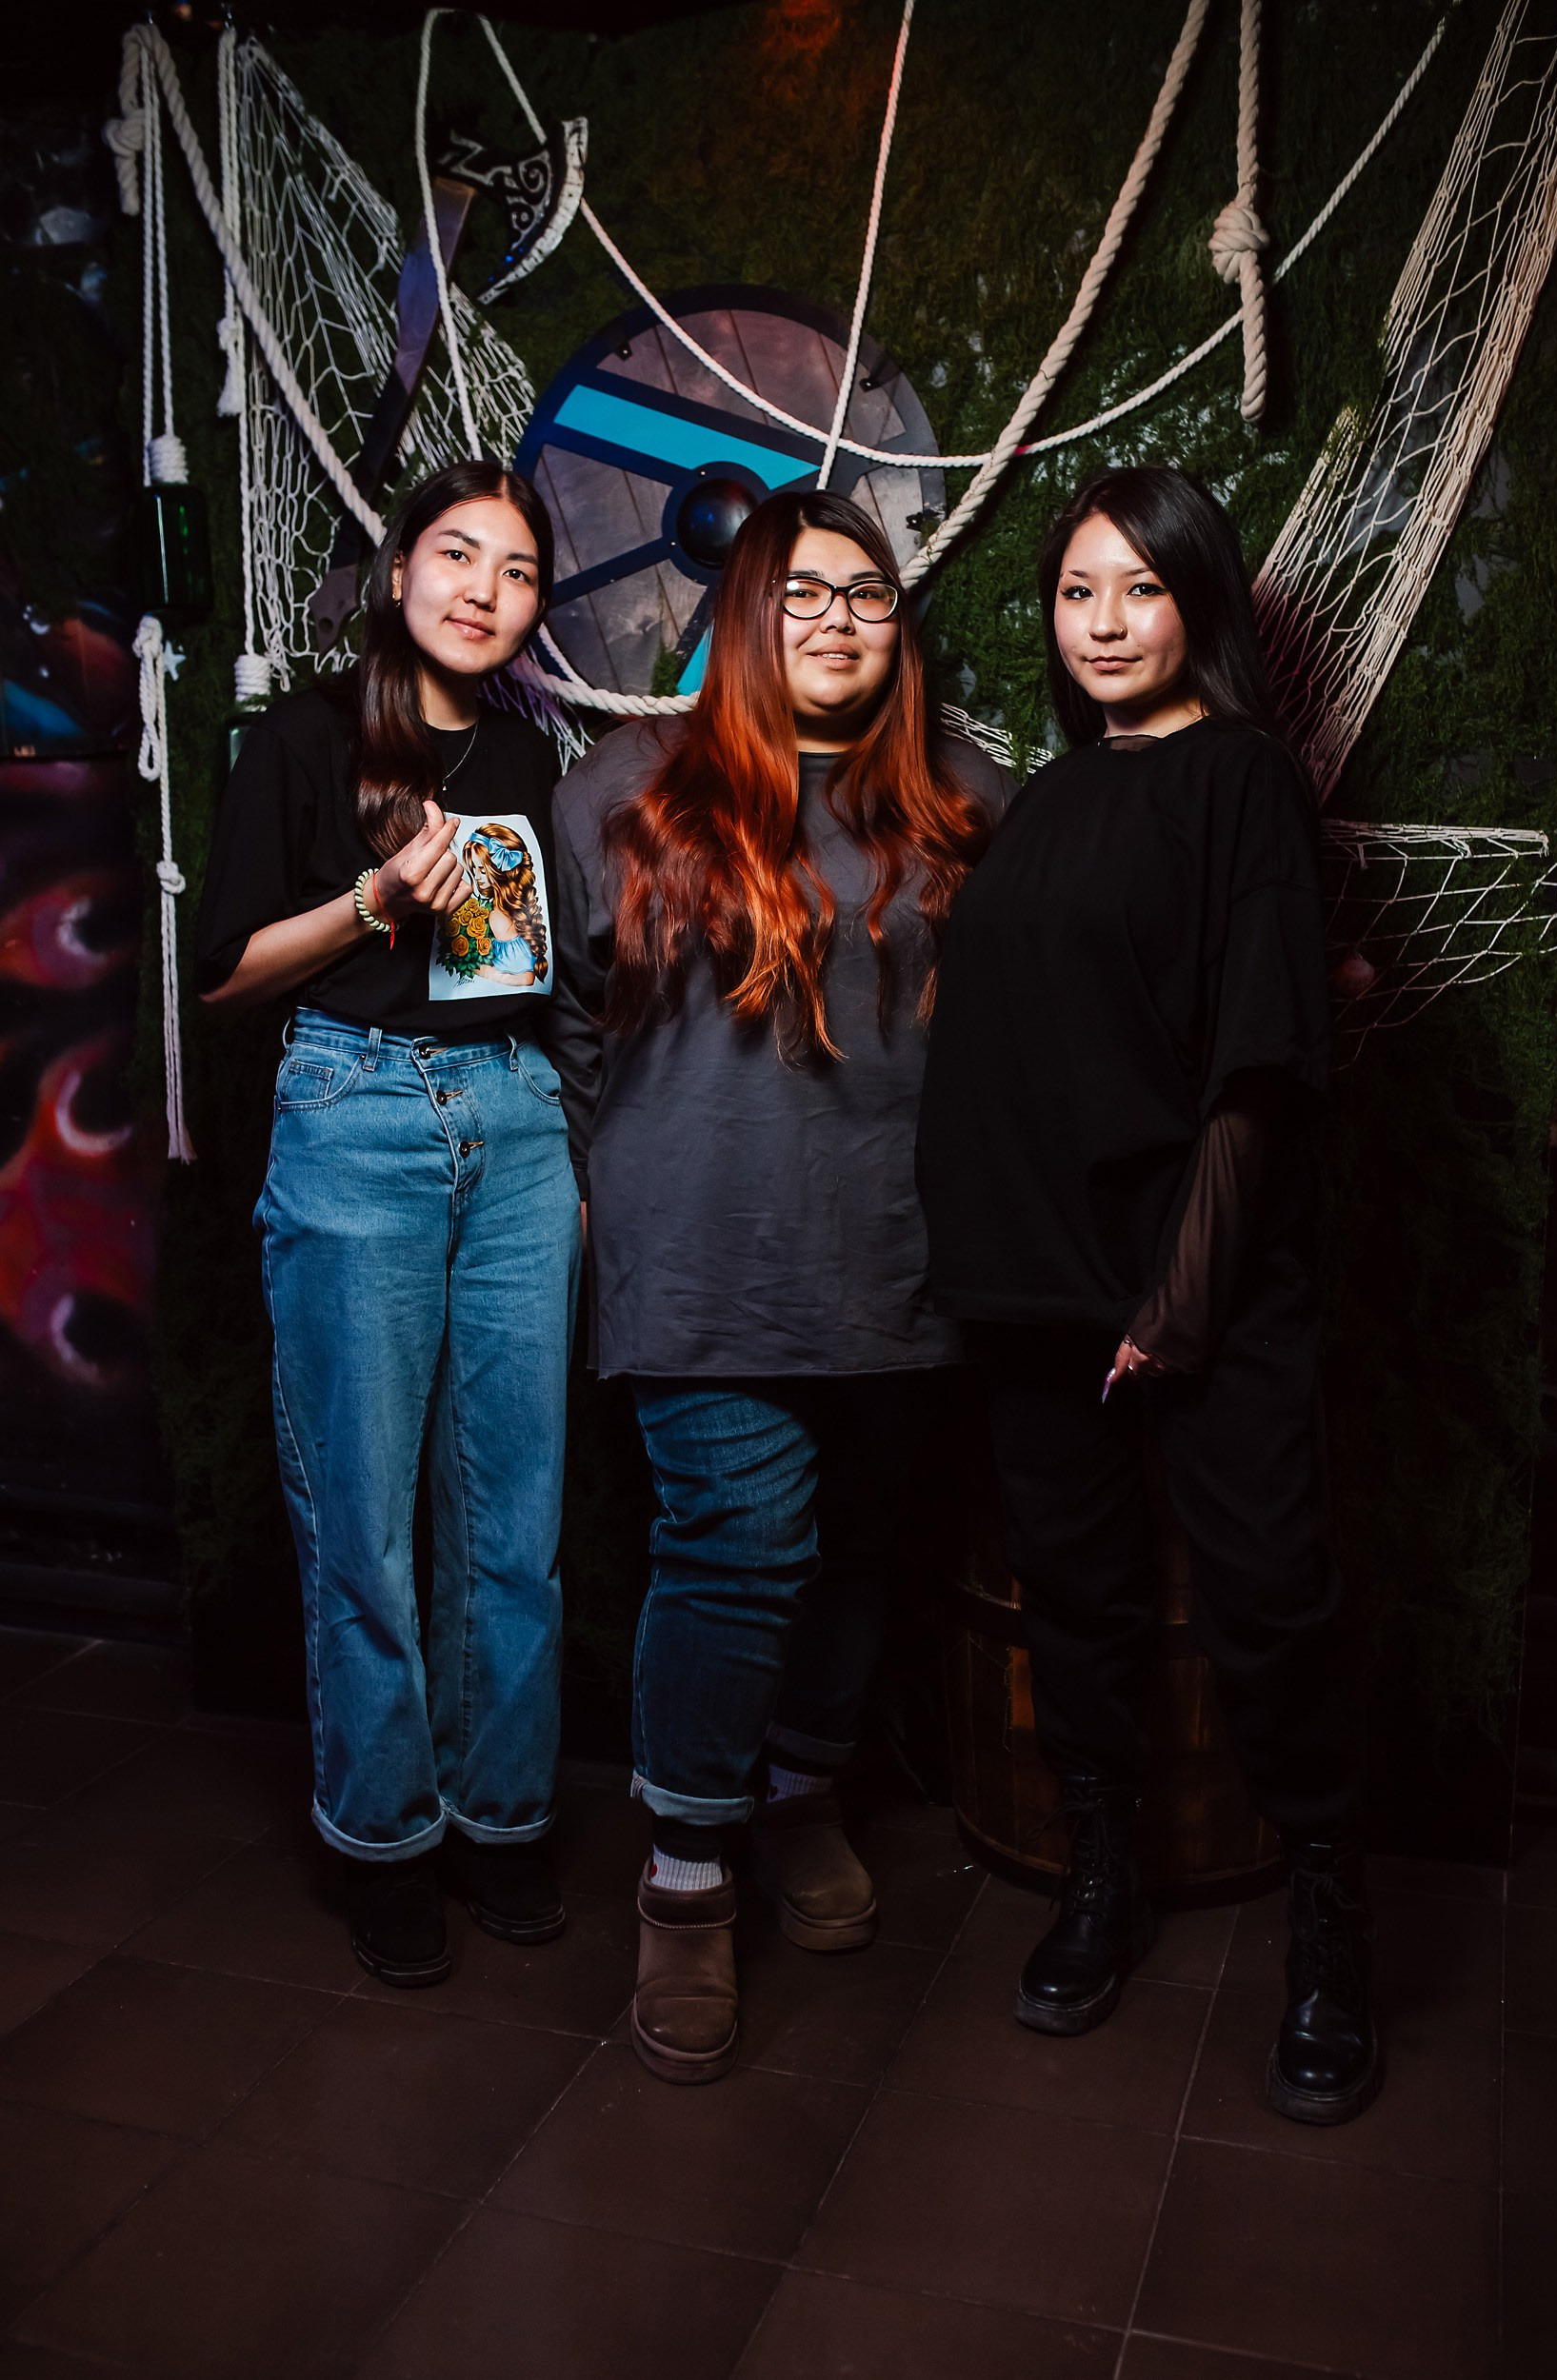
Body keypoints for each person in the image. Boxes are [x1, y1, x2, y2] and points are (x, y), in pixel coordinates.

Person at [916, 465, 1379, 2127]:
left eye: (1141, 588)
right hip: (1036, 1287)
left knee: (1268, 1599)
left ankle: (1330, 1927)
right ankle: (1099, 1880)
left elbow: (1260, 1057)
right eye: (1076, 592)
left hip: (1198, 1282)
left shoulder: (1243, 778)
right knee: (1080, 1599)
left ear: (1201, 604)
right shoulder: (1043, 800)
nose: (1104, 623)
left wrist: (1179, 1301)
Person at [550, 488, 1008, 2084]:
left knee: (864, 1543)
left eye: (866, 595)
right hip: (703, 1255)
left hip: (900, 1255)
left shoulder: (965, 797)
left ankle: (802, 1788)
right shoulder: (624, 785)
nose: (836, 619)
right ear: (743, 614)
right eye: (801, 592)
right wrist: (611, 1192)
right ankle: (687, 1870)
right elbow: (562, 1017)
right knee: (740, 1544)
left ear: (900, 628)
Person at [193, 460, 582, 1989]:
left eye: (518, 570)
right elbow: (222, 972)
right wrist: (372, 903)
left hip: (516, 1121)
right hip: (354, 1115)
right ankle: (386, 1838)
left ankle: (502, 1817)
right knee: (362, 1517)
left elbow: (524, 966)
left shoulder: (529, 754)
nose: (485, 590)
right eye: (458, 554)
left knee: (515, 1518)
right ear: (399, 568)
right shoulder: (302, 738)